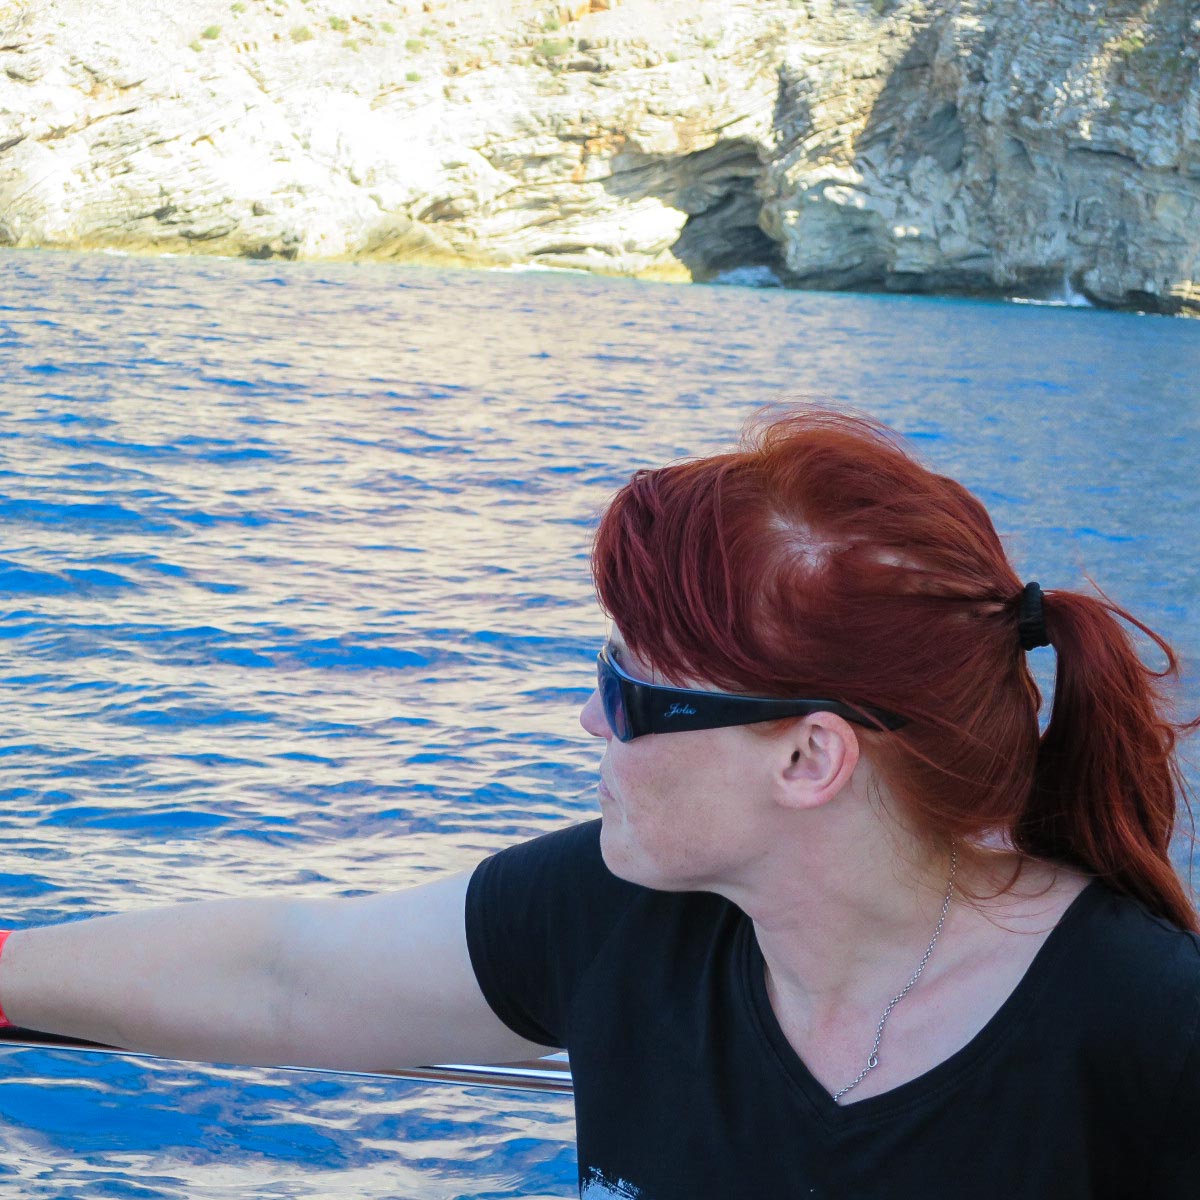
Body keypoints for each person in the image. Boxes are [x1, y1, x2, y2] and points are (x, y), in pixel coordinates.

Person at [0, 406, 1197, 1199]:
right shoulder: (621, 913)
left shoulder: (1148, 1030)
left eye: (628, 692)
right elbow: (288, 975)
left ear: (807, 759)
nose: (588, 719)